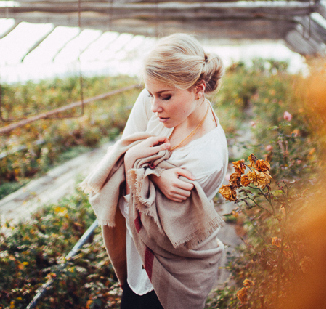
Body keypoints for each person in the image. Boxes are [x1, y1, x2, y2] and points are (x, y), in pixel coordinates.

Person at [81, 34, 229, 309]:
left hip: (169, 272)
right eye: (150, 94)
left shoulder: (206, 157)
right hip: (136, 262)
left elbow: (151, 224)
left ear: (199, 88)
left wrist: (132, 165)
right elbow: (120, 158)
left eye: (165, 97)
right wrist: (156, 176)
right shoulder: (157, 105)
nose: (154, 107)